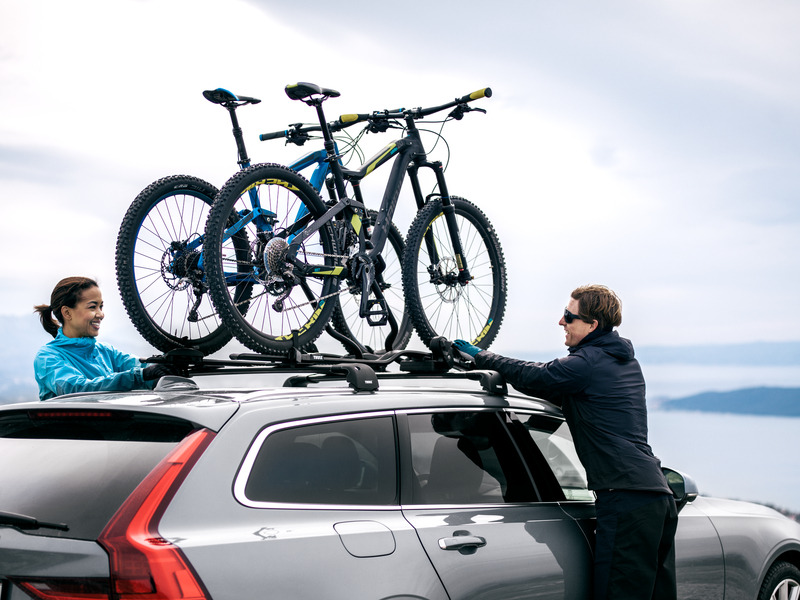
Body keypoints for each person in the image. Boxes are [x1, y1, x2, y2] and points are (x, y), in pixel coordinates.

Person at [454, 284, 678, 600]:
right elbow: (557, 391)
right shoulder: (623, 363)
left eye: (568, 316)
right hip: (657, 499)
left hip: (625, 497)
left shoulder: (587, 364)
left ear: (592, 325)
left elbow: (537, 376)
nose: (561, 322)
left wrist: (481, 356)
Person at [33, 276, 173, 400]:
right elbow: (76, 389)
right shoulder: (47, 357)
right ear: (67, 313)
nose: (101, 314)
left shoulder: (105, 351)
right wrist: (141, 375)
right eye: (93, 307)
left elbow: (141, 366)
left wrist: (167, 366)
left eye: (101, 306)